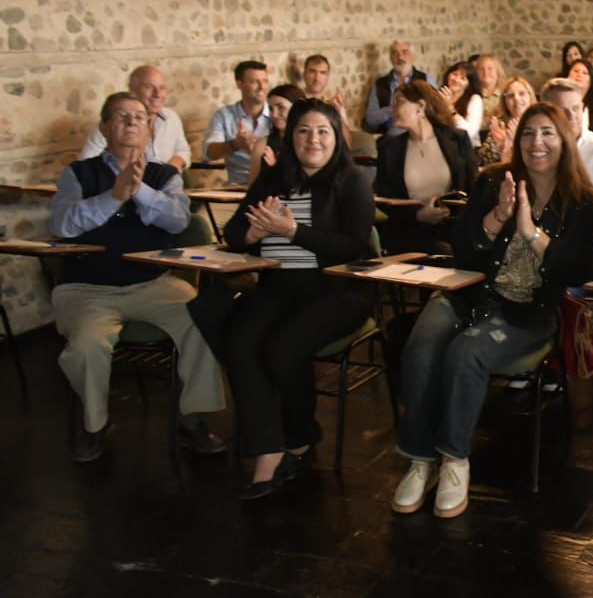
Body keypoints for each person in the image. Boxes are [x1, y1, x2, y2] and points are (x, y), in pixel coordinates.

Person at [391, 103, 593, 518]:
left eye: (547, 133)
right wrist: (497, 216)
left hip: (529, 311)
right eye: (527, 133)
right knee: (420, 344)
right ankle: (419, 459)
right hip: (470, 293)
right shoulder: (492, 182)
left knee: (465, 352)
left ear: (564, 141)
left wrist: (532, 233)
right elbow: (464, 252)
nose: (536, 143)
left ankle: (453, 458)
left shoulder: (582, 201)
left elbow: (577, 270)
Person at [51, 92, 225, 462]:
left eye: (139, 117)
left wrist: (140, 190)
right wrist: (113, 196)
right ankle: (94, 425)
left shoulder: (164, 175)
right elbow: (63, 225)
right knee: (86, 346)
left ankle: (192, 417)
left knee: (203, 322)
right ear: (104, 127)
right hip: (87, 290)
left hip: (153, 284)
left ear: (149, 128)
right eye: (120, 116)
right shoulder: (78, 173)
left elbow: (179, 220)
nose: (131, 122)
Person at [219, 99, 375, 499]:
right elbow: (235, 232)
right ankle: (268, 447)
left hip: (337, 289)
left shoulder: (351, 179)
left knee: (281, 348)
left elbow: (354, 247)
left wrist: (293, 232)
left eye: (323, 131)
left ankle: (301, 436)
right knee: (237, 342)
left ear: (336, 136)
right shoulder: (273, 179)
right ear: (292, 136)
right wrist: (251, 237)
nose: (313, 139)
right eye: (304, 130)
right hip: (280, 286)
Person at [374, 80, 477, 254]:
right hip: (408, 233)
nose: (393, 109)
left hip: (454, 229)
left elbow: (473, 186)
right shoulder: (389, 147)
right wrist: (418, 215)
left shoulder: (457, 139)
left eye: (399, 102)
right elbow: (385, 197)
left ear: (420, 107)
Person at [80, 66, 191, 171]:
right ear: (132, 90)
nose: (157, 94)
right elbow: (85, 166)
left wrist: (175, 163)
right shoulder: (111, 126)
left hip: (165, 186)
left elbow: (183, 150)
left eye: (161, 88)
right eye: (149, 87)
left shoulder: (171, 118)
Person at [541, 78, 593, 220]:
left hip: (586, 233)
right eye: (563, 110)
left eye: (576, 108)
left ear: (584, 108)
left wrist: (570, 202)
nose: (572, 117)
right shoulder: (537, 148)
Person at [205, 60, 273, 185]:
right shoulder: (224, 115)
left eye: (265, 81)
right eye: (254, 82)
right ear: (239, 84)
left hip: (273, 183)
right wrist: (235, 144)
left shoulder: (277, 113)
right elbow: (210, 153)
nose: (262, 87)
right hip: (238, 186)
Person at [364, 40, 430, 136]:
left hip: (419, 134)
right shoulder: (380, 84)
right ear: (391, 59)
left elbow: (434, 113)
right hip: (390, 137)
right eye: (395, 53)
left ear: (413, 57)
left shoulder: (426, 80)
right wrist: (393, 109)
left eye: (405, 52)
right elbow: (370, 120)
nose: (400, 57)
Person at [248, 84, 305, 186]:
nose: (274, 114)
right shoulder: (262, 145)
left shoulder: (309, 143)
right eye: (271, 109)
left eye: (281, 107)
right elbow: (252, 189)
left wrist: (277, 168)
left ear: (298, 107)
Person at [477, 76, 533, 166]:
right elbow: (482, 160)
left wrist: (513, 143)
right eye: (511, 96)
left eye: (522, 93)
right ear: (505, 102)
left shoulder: (540, 122)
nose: (516, 98)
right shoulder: (500, 125)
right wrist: (497, 147)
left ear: (530, 96)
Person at [563, 58, 593, 137]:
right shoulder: (559, 98)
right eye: (575, 71)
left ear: (591, 79)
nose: (579, 75)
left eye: (585, 73)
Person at [441, 61, 484, 146]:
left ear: (468, 84)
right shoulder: (438, 95)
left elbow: (469, 133)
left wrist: (450, 109)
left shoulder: (474, 99)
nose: (456, 80)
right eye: (454, 74)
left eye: (462, 78)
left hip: (465, 148)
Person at [474, 54, 505, 120]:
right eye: (481, 69)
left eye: (490, 68)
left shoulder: (506, 92)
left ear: (498, 71)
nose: (486, 72)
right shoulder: (472, 94)